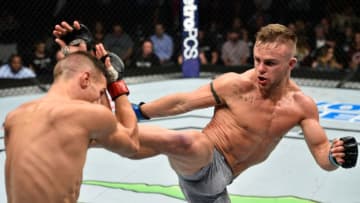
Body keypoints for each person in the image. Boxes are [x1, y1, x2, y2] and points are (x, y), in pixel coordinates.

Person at [131, 24, 358, 203]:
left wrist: (335, 156)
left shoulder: (302, 106)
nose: (260, 68)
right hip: (202, 162)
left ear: (291, 64)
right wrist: (140, 111)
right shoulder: (235, 85)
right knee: (192, 141)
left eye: (270, 63)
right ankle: (109, 132)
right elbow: (183, 103)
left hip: (217, 188)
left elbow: (321, 153)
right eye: (257, 60)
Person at [4, 45, 139, 202]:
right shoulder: (83, 113)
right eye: (101, 92)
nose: (98, 98)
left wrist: (79, 53)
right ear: (85, 79)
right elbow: (132, 144)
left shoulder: (14, 117)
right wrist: (115, 83)